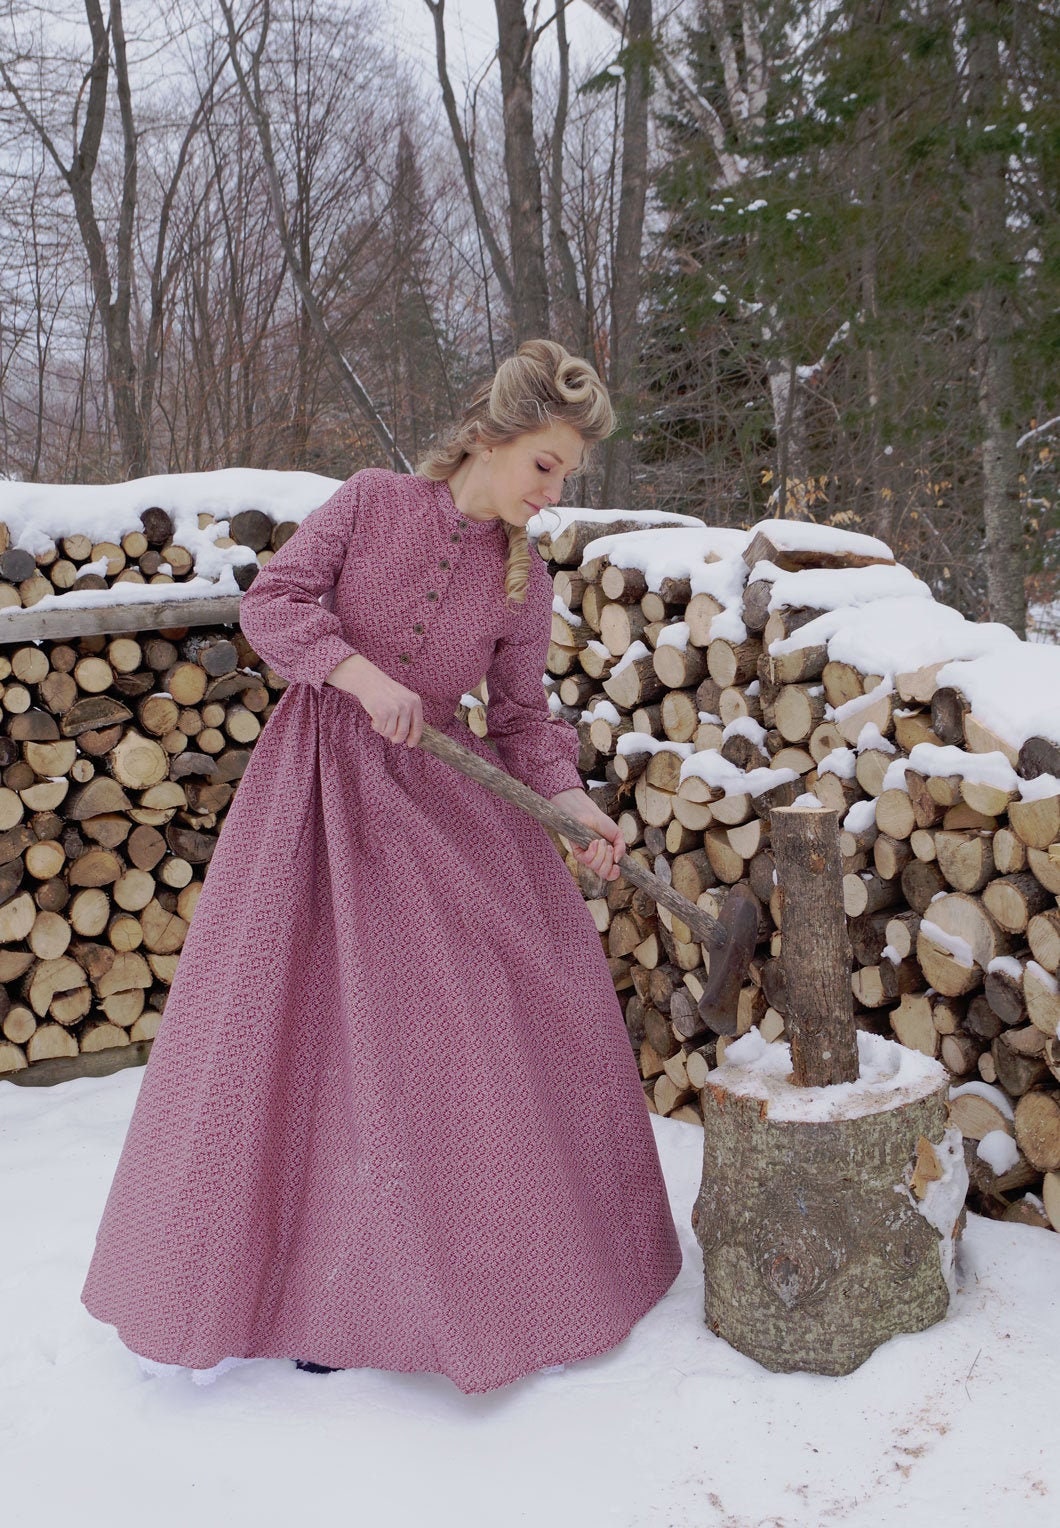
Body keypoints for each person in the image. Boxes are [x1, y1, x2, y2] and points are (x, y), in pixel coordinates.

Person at [80, 339, 683, 1393]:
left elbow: (526, 722)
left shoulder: (520, 573)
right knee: (311, 1037)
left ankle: (484, 1279)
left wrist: (574, 804)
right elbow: (273, 606)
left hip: (439, 803)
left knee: (476, 1021)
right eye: (545, 464)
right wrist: (357, 675)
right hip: (315, 799)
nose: (553, 491)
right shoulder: (369, 502)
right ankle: (309, 1296)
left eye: (566, 475)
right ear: (492, 438)